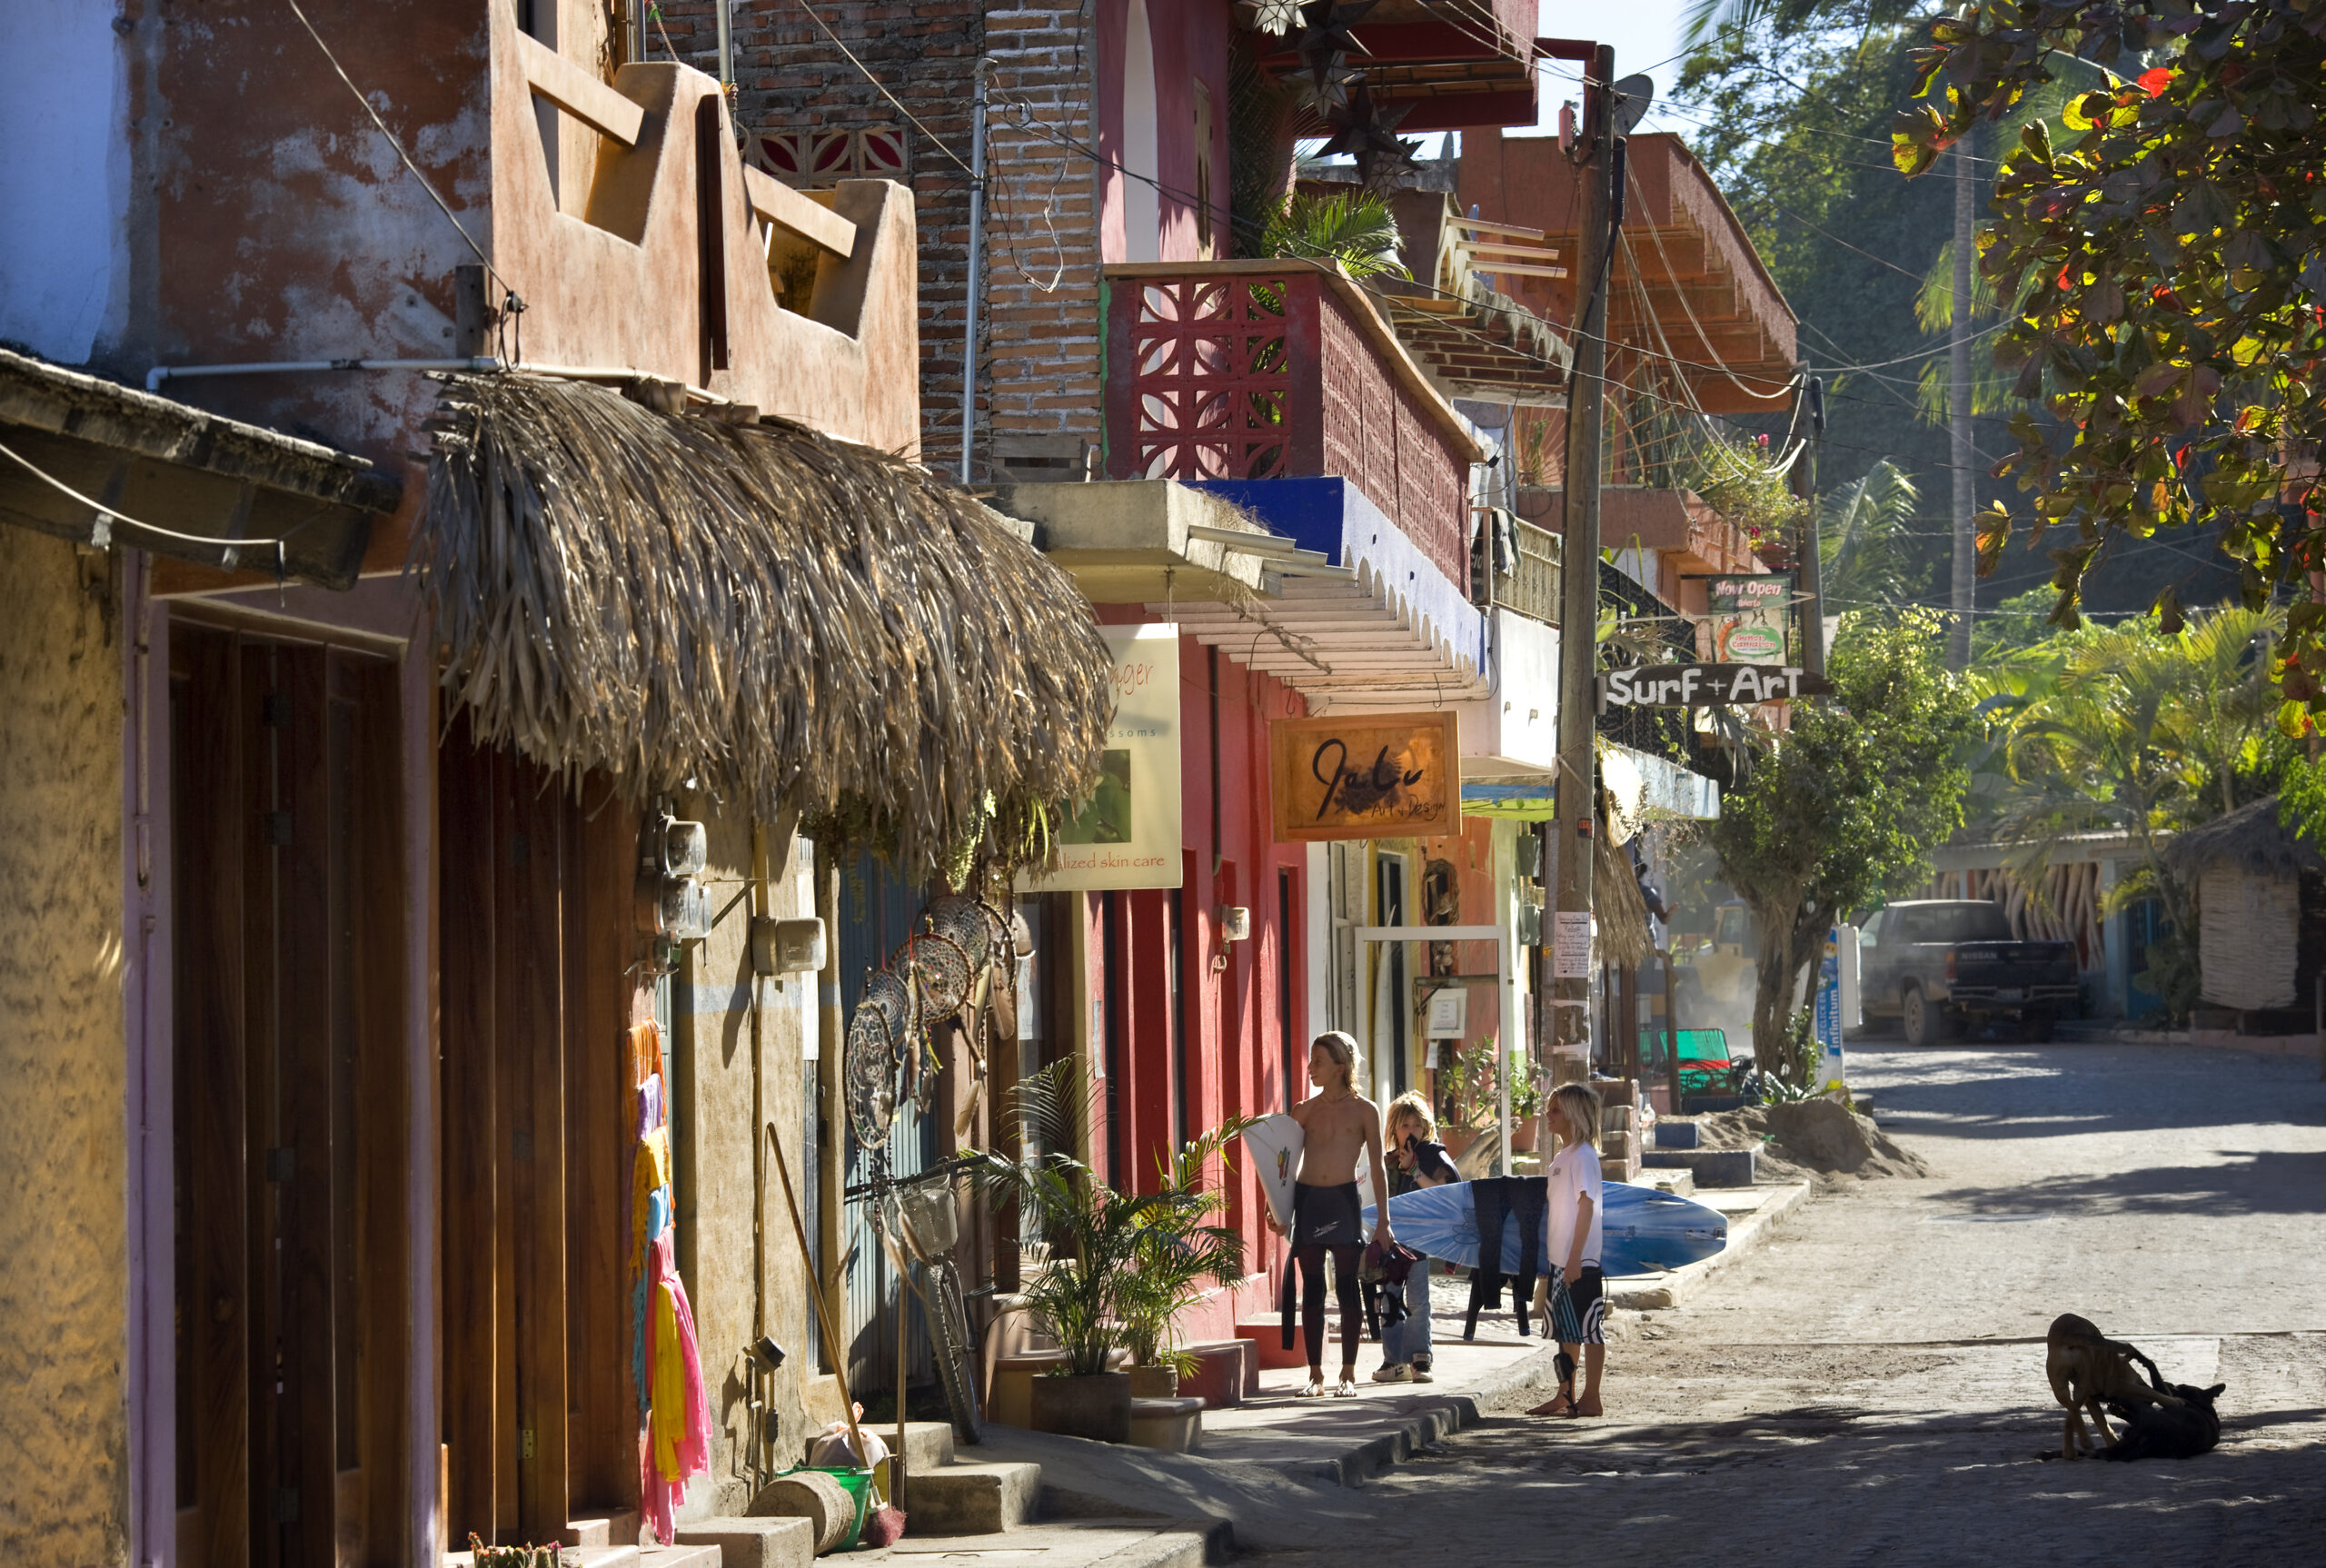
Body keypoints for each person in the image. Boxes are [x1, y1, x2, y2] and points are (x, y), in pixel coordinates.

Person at [1265, 1031, 1394, 1397]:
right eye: (1310, 1060)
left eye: (1318, 1062)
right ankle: (1315, 1374)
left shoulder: (1366, 1110)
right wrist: (1275, 1210)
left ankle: (1348, 1373)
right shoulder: (1304, 1110)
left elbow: (1378, 1168)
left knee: (1348, 1287)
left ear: (1341, 1067)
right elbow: (1281, 1166)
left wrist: (1385, 1222)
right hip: (1308, 1201)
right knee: (1313, 1290)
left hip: (1343, 1201)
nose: (1310, 1068)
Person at [1528, 1083, 1607, 1417]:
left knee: (1589, 1328)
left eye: (1556, 1109)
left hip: (1581, 1260)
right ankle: (1566, 1394)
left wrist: (1575, 1260)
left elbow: (1586, 1207)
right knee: (1566, 1330)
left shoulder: (1584, 1156)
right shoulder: (1563, 1156)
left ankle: (1591, 1397)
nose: (1548, 1114)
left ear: (1574, 1115)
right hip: (1562, 1260)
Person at [1372, 1090, 1459, 1385]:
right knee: (1388, 1300)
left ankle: (1421, 1360)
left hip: (1420, 1240)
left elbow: (1444, 1192)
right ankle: (1394, 1361)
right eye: (1405, 1125)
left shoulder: (1435, 1155)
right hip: (1391, 1241)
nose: (1411, 1132)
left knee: (1419, 1301)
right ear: (1394, 1128)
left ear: (1425, 1128)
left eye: (1417, 1126)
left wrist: (1415, 1169)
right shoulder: (1385, 1162)